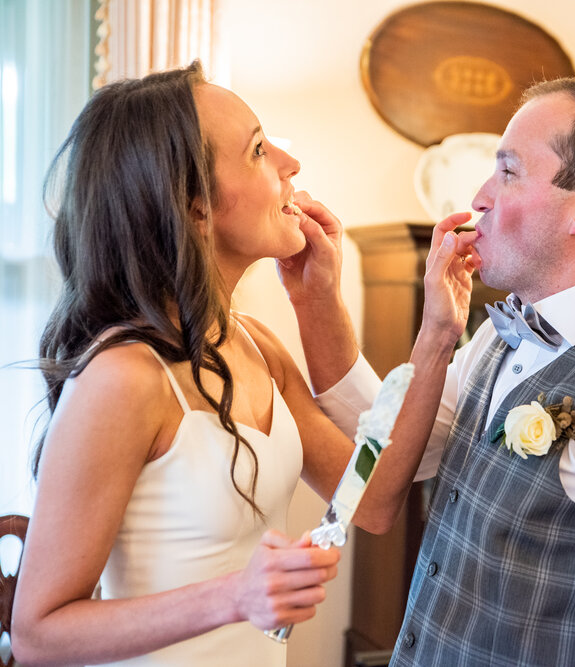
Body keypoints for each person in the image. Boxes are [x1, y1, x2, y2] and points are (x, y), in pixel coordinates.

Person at [10, 62, 477, 667]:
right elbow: (38, 633)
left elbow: (377, 498)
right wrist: (235, 596)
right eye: (259, 149)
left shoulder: (254, 344)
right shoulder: (122, 378)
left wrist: (431, 331)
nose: (290, 163)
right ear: (194, 205)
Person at [291, 78, 575, 665]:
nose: (479, 197)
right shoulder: (496, 337)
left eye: (507, 172)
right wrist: (321, 299)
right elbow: (394, 453)